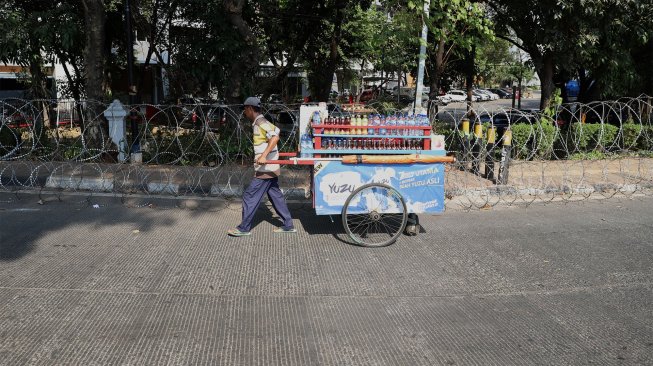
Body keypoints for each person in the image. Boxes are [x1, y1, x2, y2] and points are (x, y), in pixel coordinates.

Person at [227, 97, 297, 237]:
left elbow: (275, 137)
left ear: (250, 109)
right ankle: (288, 225)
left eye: (245, 109)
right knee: (275, 196)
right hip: (270, 168)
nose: (244, 113)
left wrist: (264, 155)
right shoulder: (260, 121)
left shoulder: (260, 122)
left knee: (249, 195)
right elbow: (276, 130)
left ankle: (244, 228)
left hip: (265, 169)